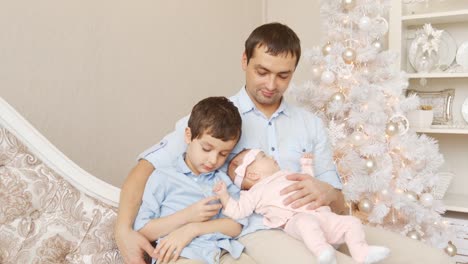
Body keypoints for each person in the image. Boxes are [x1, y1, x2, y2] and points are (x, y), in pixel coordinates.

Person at [115, 22, 455, 264]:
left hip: (322, 217)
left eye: (283, 75)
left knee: (432, 258)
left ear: (293, 72)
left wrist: (327, 192)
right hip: (265, 228)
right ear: (244, 61)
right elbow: (145, 169)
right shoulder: (218, 120)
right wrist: (123, 231)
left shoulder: (309, 124)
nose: (271, 84)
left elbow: (338, 201)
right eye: (262, 71)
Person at [213, 149, 390, 264]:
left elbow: (307, 182)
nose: (273, 157)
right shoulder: (253, 193)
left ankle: (362, 252)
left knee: (352, 222)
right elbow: (237, 211)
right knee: (305, 222)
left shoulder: (286, 174)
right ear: (252, 174)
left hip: (324, 217)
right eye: (265, 156)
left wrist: (306, 166)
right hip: (295, 222)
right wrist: (224, 196)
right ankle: (323, 252)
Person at [133, 96, 254, 264]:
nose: (213, 160)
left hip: (221, 253)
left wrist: (194, 229)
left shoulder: (222, 181)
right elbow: (143, 230)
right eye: (206, 149)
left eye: (223, 154)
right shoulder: (163, 177)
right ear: (189, 136)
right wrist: (188, 216)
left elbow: (236, 225)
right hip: (180, 254)